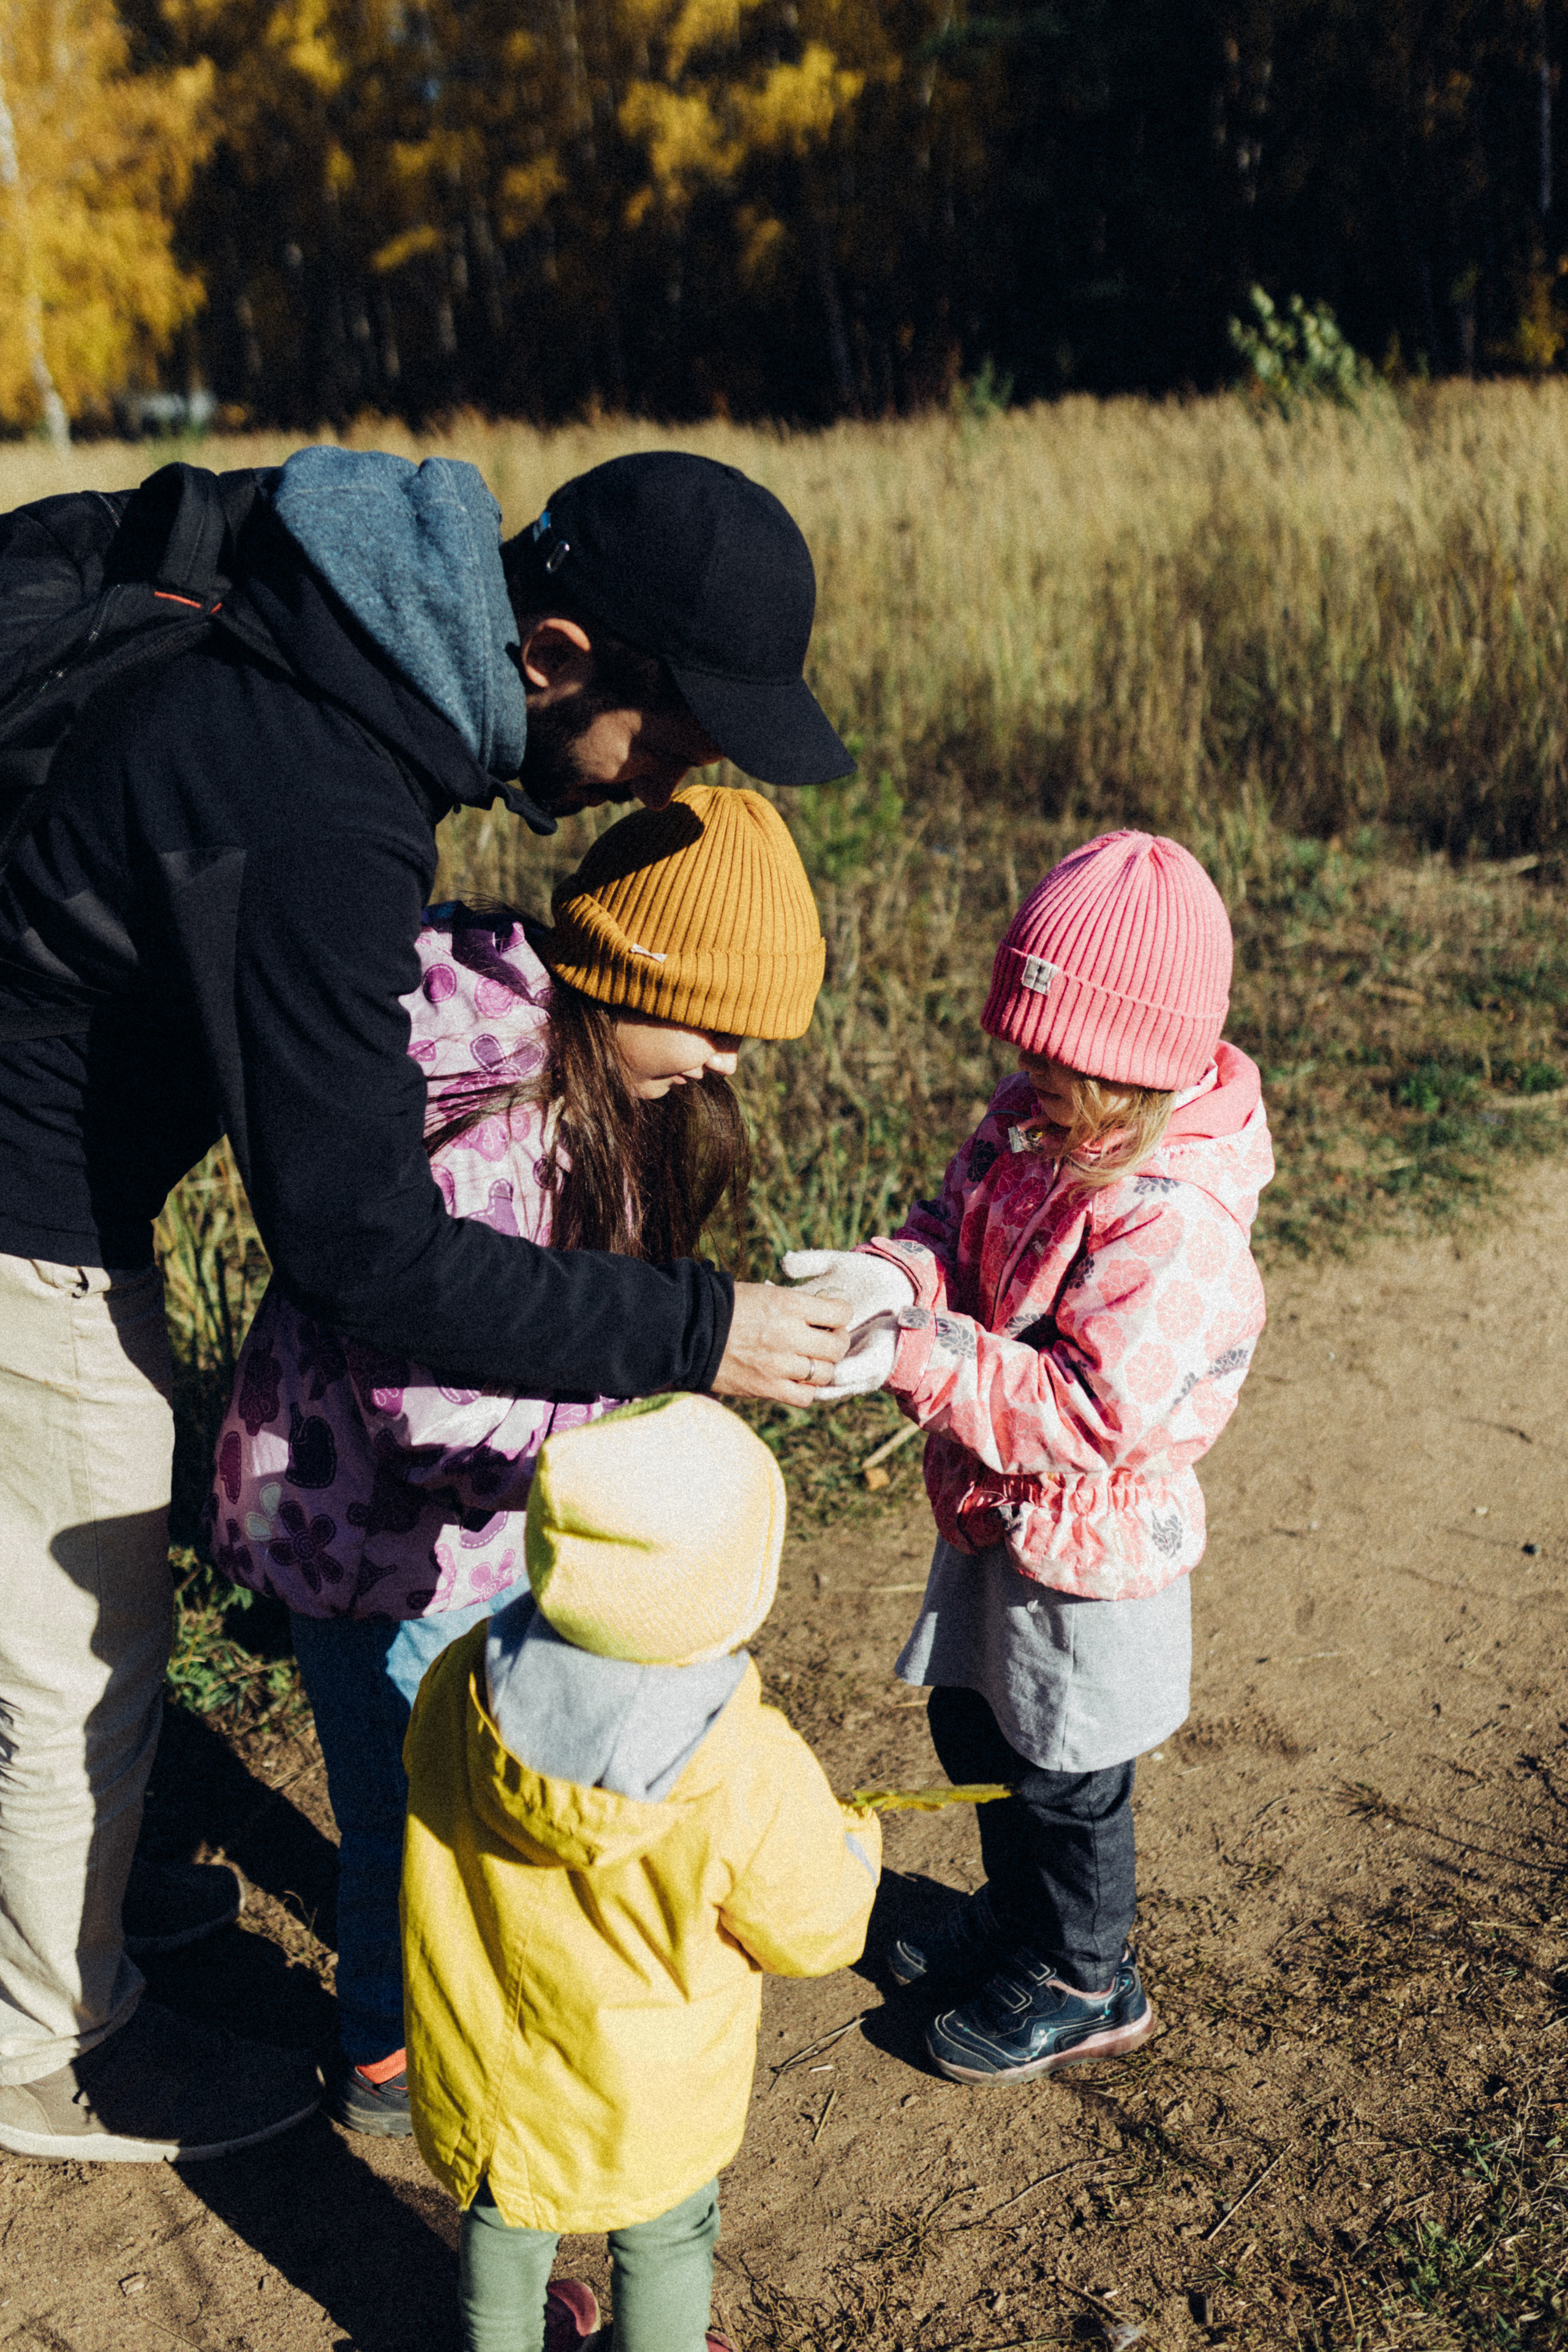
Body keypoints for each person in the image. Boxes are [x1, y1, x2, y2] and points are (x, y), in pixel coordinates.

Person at [0, 447, 854, 2163]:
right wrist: (699, 1335)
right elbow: (360, 1247)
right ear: (554, 654)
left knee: (64, 1614)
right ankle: (54, 2040)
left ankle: (76, 1898)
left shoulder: (334, 597)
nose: (666, 779)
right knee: (74, 1656)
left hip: (63, 1158)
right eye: (669, 738)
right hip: (22, 1207)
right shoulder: (322, 788)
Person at [206, 780, 825, 2136]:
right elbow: (435, 1410)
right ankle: (386, 2047)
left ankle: (430, 1989)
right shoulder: (500, 1130)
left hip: (445, 1534)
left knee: (448, 1781)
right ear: (631, 979)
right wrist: (609, 1442)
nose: (727, 1064)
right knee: (414, 1812)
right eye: (715, 1026)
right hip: (386, 1550)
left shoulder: (569, 1080)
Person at [786, 829, 1273, 2082]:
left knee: (1066, 1767)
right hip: (995, 1504)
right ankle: (1017, 1919)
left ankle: (1085, 1973)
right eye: (1025, 1049)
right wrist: (890, 1278)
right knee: (977, 1722)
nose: (1029, 1077)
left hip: (1087, 1541)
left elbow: (1089, 1416)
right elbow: (950, 1228)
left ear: (1140, 1064)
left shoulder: (1170, 1222)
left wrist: (923, 1352)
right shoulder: (1032, 1121)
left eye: (1062, 1063)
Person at [400, 1390, 881, 2352]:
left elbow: (423, 1773)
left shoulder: (461, 1677)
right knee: (665, 2234)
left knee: (504, 2221)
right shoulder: (746, 1764)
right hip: (649, 2096)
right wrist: (856, 1840)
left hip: (489, 2064)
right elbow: (817, 1930)